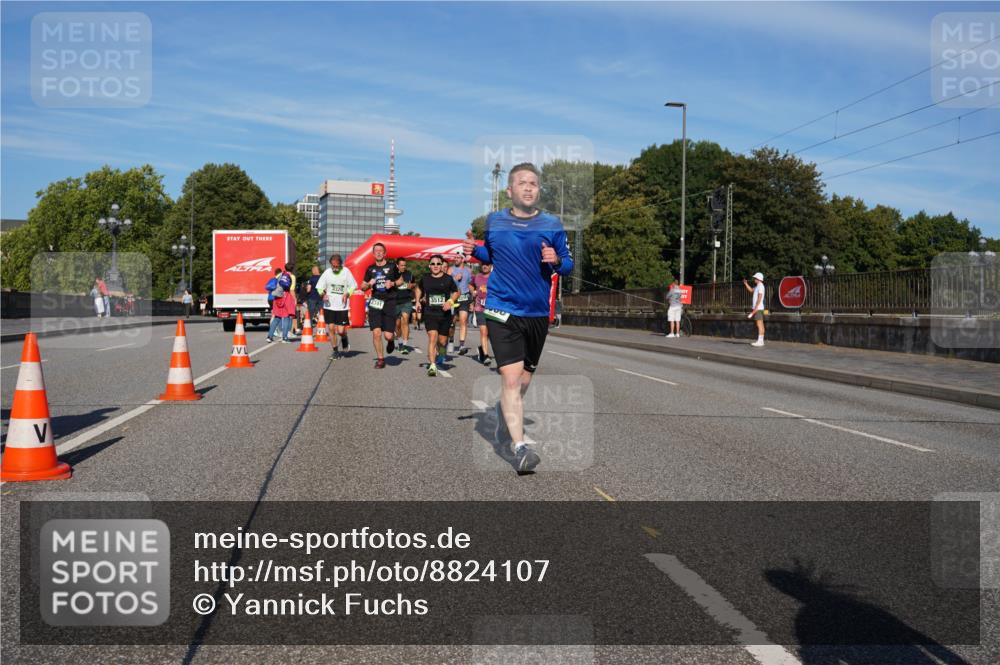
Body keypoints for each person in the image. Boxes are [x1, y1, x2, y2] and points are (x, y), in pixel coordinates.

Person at [463, 162, 574, 475]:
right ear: (509, 190)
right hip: (501, 309)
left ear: (539, 191)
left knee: (524, 381)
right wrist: (476, 251)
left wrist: (556, 261)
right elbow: (491, 256)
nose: (528, 187)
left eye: (534, 183)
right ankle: (520, 448)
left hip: (536, 313)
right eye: (522, 183)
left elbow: (568, 263)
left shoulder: (551, 224)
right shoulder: (495, 221)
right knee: (511, 379)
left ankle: (503, 416)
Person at [414, 254, 459, 377]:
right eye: (433, 264)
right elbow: (418, 288)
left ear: (441, 265)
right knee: (432, 336)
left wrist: (450, 302)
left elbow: (456, 292)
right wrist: (418, 300)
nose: (435, 266)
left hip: (444, 314)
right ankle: (432, 365)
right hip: (430, 313)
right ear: (429, 266)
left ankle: (442, 351)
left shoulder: (448, 279)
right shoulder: (425, 278)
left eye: (438, 264)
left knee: (442, 341)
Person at [360, 242, 402, 369]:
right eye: (376, 251)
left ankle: (391, 341)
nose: (378, 252)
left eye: (380, 251)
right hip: (376, 302)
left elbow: (401, 281)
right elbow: (362, 287)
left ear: (384, 253)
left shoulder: (392, 267)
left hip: (389, 302)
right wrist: (368, 284)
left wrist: (393, 284)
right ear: (373, 254)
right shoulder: (370, 269)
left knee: (387, 335)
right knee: (376, 333)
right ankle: (380, 359)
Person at [315, 254, 357, 359]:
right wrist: (323, 294)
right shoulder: (327, 273)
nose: (334, 268)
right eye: (333, 266)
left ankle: (344, 338)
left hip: (342, 306)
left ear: (340, 264)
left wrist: (347, 294)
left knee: (341, 331)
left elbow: (353, 286)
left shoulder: (346, 272)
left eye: (336, 266)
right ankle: (335, 351)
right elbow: (319, 287)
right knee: (331, 328)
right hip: (329, 306)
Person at [447, 255, 474, 355]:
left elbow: (470, 284)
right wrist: (454, 278)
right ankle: (450, 341)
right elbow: (447, 282)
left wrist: (473, 298)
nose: (456, 259)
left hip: (465, 297)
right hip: (454, 298)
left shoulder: (469, 271)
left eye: (458, 257)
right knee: (452, 322)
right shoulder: (450, 269)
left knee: (463, 320)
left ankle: (462, 345)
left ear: (463, 259)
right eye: (455, 257)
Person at [471, 262, 493, 365]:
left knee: (491, 333)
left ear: (491, 266)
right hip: (480, 307)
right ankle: (485, 355)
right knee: (483, 331)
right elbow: (470, 284)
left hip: (493, 308)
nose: (485, 266)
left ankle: (481, 348)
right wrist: (473, 291)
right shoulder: (477, 277)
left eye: (487, 265)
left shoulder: (495, 277)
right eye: (483, 264)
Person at [266, 267, 294, 343]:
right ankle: (284, 338)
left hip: (277, 298)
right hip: (285, 298)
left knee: (277, 318)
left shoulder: (279, 276)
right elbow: (290, 290)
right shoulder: (289, 277)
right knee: (286, 317)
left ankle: (269, 336)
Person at [394, 258, 416, 354]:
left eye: (405, 265)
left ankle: (405, 345)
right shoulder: (392, 274)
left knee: (405, 319)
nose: (404, 267)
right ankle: (399, 342)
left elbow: (414, 284)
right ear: (397, 265)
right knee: (397, 325)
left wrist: (412, 286)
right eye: (402, 265)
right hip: (395, 302)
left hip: (406, 300)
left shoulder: (409, 274)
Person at [743, 272, 766, 347]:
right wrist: (746, 284)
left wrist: (756, 307)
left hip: (758, 308)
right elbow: (751, 290)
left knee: (759, 324)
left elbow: (760, 297)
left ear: (758, 279)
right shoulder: (757, 286)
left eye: (755, 278)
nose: (754, 279)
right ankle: (761, 340)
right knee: (760, 324)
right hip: (758, 308)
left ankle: (760, 341)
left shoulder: (761, 286)